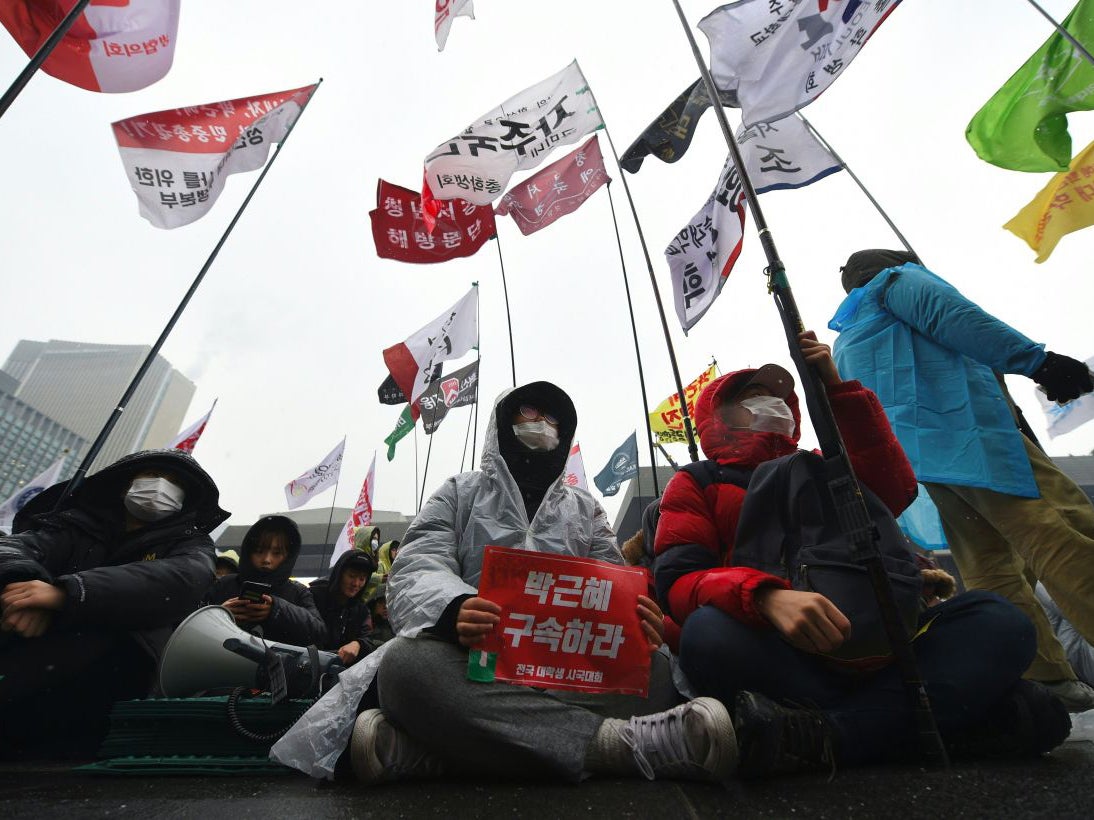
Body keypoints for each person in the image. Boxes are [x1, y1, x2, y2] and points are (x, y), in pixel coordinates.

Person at [654, 334, 1069, 777]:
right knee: (707, 635)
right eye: (752, 399)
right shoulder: (697, 481)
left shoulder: (826, 464)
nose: (771, 406)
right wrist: (765, 597)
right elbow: (678, 582)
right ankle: (932, 725)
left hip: (886, 643)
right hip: (784, 654)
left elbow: (892, 488)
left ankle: (821, 735)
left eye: (778, 399)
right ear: (718, 419)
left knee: (999, 621)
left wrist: (835, 388)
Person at [350, 381, 736, 785]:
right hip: (476, 666)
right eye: (530, 412)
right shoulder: (458, 493)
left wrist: (639, 622)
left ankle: (444, 753)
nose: (542, 424)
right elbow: (417, 563)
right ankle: (615, 744)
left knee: (654, 672)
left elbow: (614, 583)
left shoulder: (585, 510)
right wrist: (455, 607)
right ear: (504, 421)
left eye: (553, 418)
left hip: (569, 673)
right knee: (406, 668)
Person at [829, 249, 1094, 711]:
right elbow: (953, 316)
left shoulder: (850, 334)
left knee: (989, 564)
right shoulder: (898, 282)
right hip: (971, 436)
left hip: (929, 462)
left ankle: (1044, 678)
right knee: (1059, 530)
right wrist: (1039, 362)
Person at [0, 449, 228, 757]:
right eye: (149, 475)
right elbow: (13, 549)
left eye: (173, 481)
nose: (159, 485)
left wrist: (66, 594)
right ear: (124, 484)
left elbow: (183, 577)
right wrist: (25, 592)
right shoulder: (72, 528)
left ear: (185, 497)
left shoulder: (192, 545)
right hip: (31, 653)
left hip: (117, 676)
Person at [206, 515, 326, 647]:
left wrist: (277, 610)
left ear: (288, 556)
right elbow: (192, 624)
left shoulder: (298, 592)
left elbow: (319, 634)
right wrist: (219, 614)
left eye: (276, 553)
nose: (266, 559)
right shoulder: (224, 584)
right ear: (248, 551)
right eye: (259, 551)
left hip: (279, 666)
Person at [309, 548, 377, 666]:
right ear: (339, 574)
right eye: (351, 576)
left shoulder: (362, 611)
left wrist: (358, 644)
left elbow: (369, 639)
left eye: (362, 579)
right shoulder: (313, 596)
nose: (356, 584)